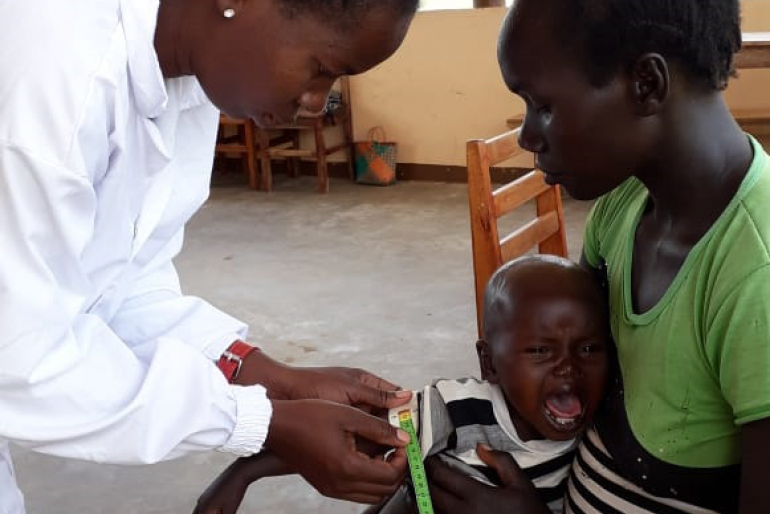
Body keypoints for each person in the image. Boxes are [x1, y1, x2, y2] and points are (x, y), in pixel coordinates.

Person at [0, 1, 419, 513]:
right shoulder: (56, 72)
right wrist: (259, 421)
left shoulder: (192, 78)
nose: (316, 102)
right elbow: (19, 359)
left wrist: (267, 375)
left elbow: (123, 284)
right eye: (320, 68)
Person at [425, 1, 770, 514]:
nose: (526, 136)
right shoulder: (622, 206)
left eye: (542, 105)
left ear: (646, 84)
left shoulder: (755, 275)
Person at [193, 255, 610, 514]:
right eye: (540, 351)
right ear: (490, 363)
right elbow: (355, 434)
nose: (568, 368)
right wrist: (243, 474)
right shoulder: (458, 410)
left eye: (589, 349)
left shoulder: (605, 423)